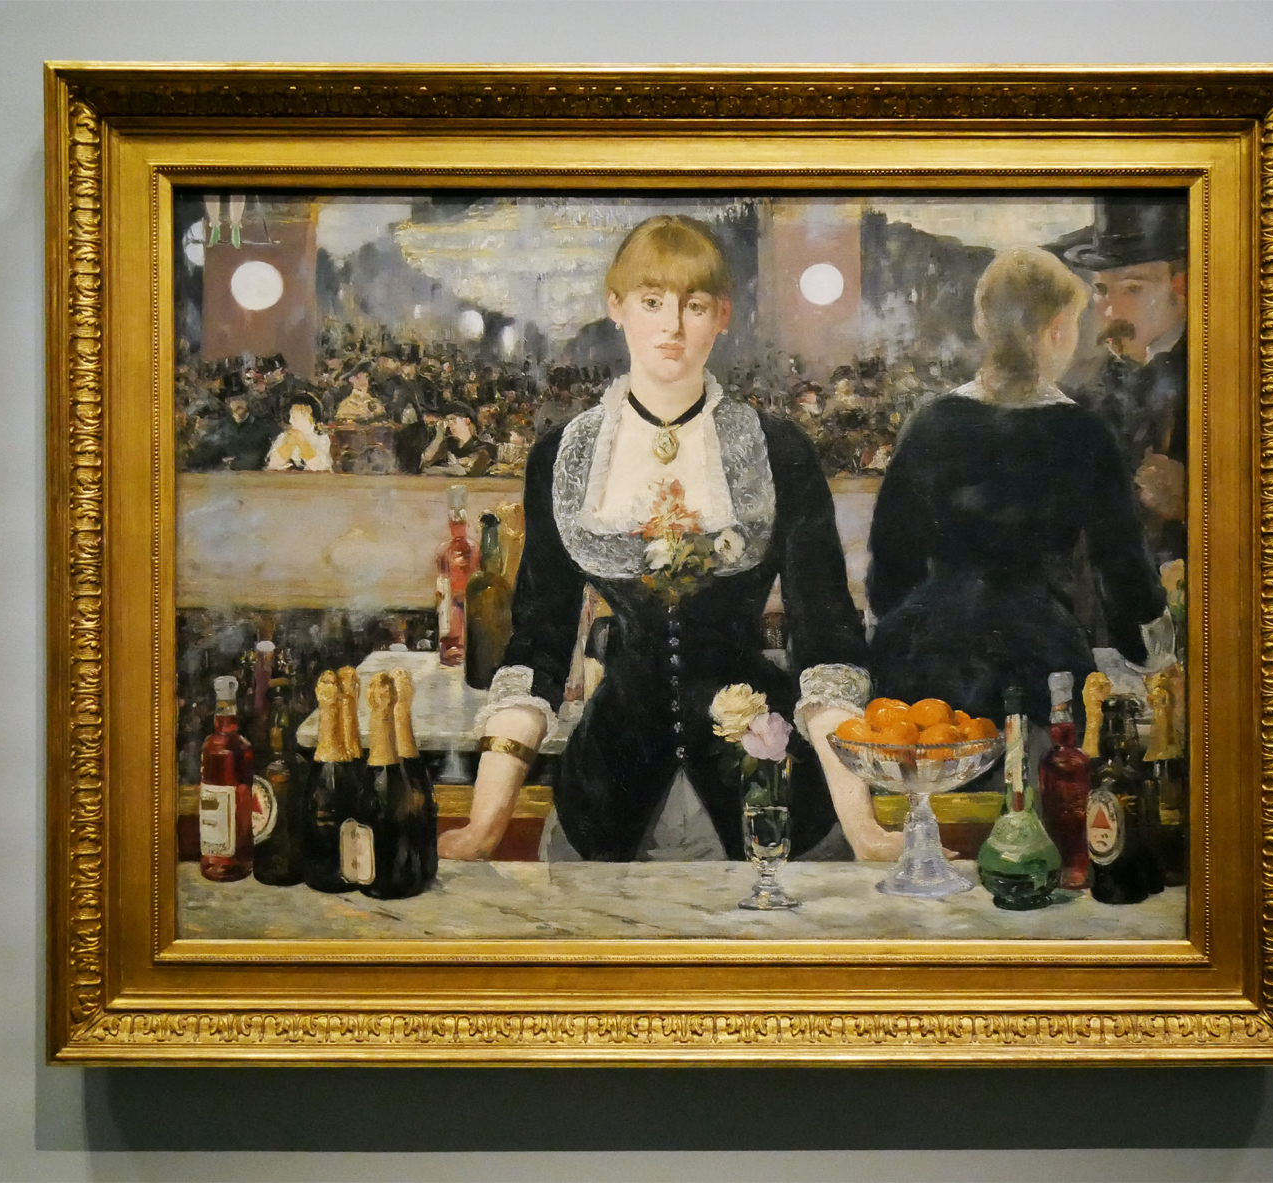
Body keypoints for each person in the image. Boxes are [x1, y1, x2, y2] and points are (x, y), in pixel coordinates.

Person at [440, 214, 900, 863]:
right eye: (652, 302)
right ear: (617, 306)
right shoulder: (565, 456)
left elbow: (826, 649)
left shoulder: (777, 450)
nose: (673, 326)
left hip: (767, 788)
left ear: (722, 316)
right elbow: (538, 651)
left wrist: (864, 828)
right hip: (609, 792)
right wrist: (485, 825)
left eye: (695, 305)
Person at [867, 246, 1165, 732]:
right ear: (1056, 329)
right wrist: (1147, 654)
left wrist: (903, 630)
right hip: (1039, 655)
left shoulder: (930, 425)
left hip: (923, 657)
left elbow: (890, 565)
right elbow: (1122, 567)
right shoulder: (1084, 433)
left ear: (983, 325)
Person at [1059, 194, 1189, 563]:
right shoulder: (1083, 388)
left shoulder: (1221, 374)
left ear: (1181, 287)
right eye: (1101, 290)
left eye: (1133, 288)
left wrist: (1194, 504)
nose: (1111, 310)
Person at [265, 393, 333, 472]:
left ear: (309, 418)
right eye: (290, 416)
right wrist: (290, 442)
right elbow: (272, 465)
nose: (290, 421)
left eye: (294, 417)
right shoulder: (284, 437)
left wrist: (300, 439)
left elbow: (318, 468)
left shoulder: (321, 439)